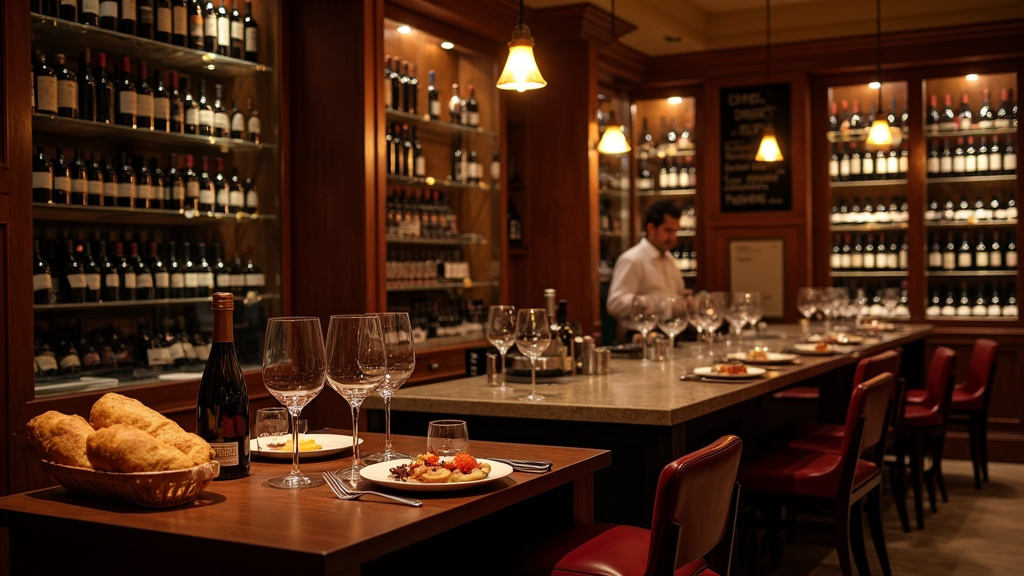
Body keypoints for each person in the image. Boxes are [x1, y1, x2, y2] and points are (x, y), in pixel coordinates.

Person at [606, 199, 689, 336]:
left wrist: (685, 300)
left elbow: (677, 294)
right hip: (641, 337)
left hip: (671, 332)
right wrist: (656, 304)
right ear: (651, 228)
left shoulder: (669, 258)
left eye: (675, 231)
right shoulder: (632, 259)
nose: (673, 237)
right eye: (668, 231)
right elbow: (615, 304)